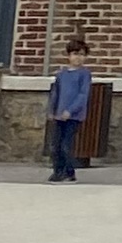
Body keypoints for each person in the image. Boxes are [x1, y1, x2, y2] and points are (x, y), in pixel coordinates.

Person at [45, 38, 93, 182]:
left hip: (73, 116)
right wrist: (51, 110)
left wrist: (70, 110)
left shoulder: (84, 74)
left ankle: (69, 172)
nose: (78, 58)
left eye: (82, 54)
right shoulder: (61, 74)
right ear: (69, 55)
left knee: (66, 145)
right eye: (75, 54)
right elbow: (55, 93)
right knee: (55, 146)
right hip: (59, 115)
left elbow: (82, 95)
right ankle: (57, 171)